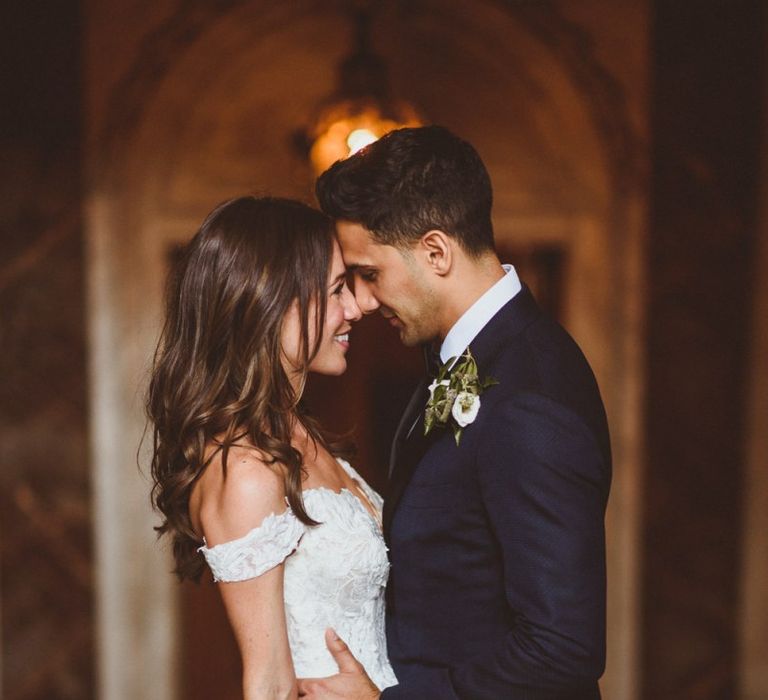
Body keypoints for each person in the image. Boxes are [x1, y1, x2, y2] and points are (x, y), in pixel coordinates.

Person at [299, 126, 612, 699]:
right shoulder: (460, 357)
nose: (363, 303)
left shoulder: (530, 394)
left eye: (370, 274)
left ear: (436, 251)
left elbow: (562, 648)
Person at [146, 196, 398, 699]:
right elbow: (269, 685)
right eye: (335, 291)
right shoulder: (246, 469)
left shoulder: (300, 436)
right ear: (272, 303)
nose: (354, 309)